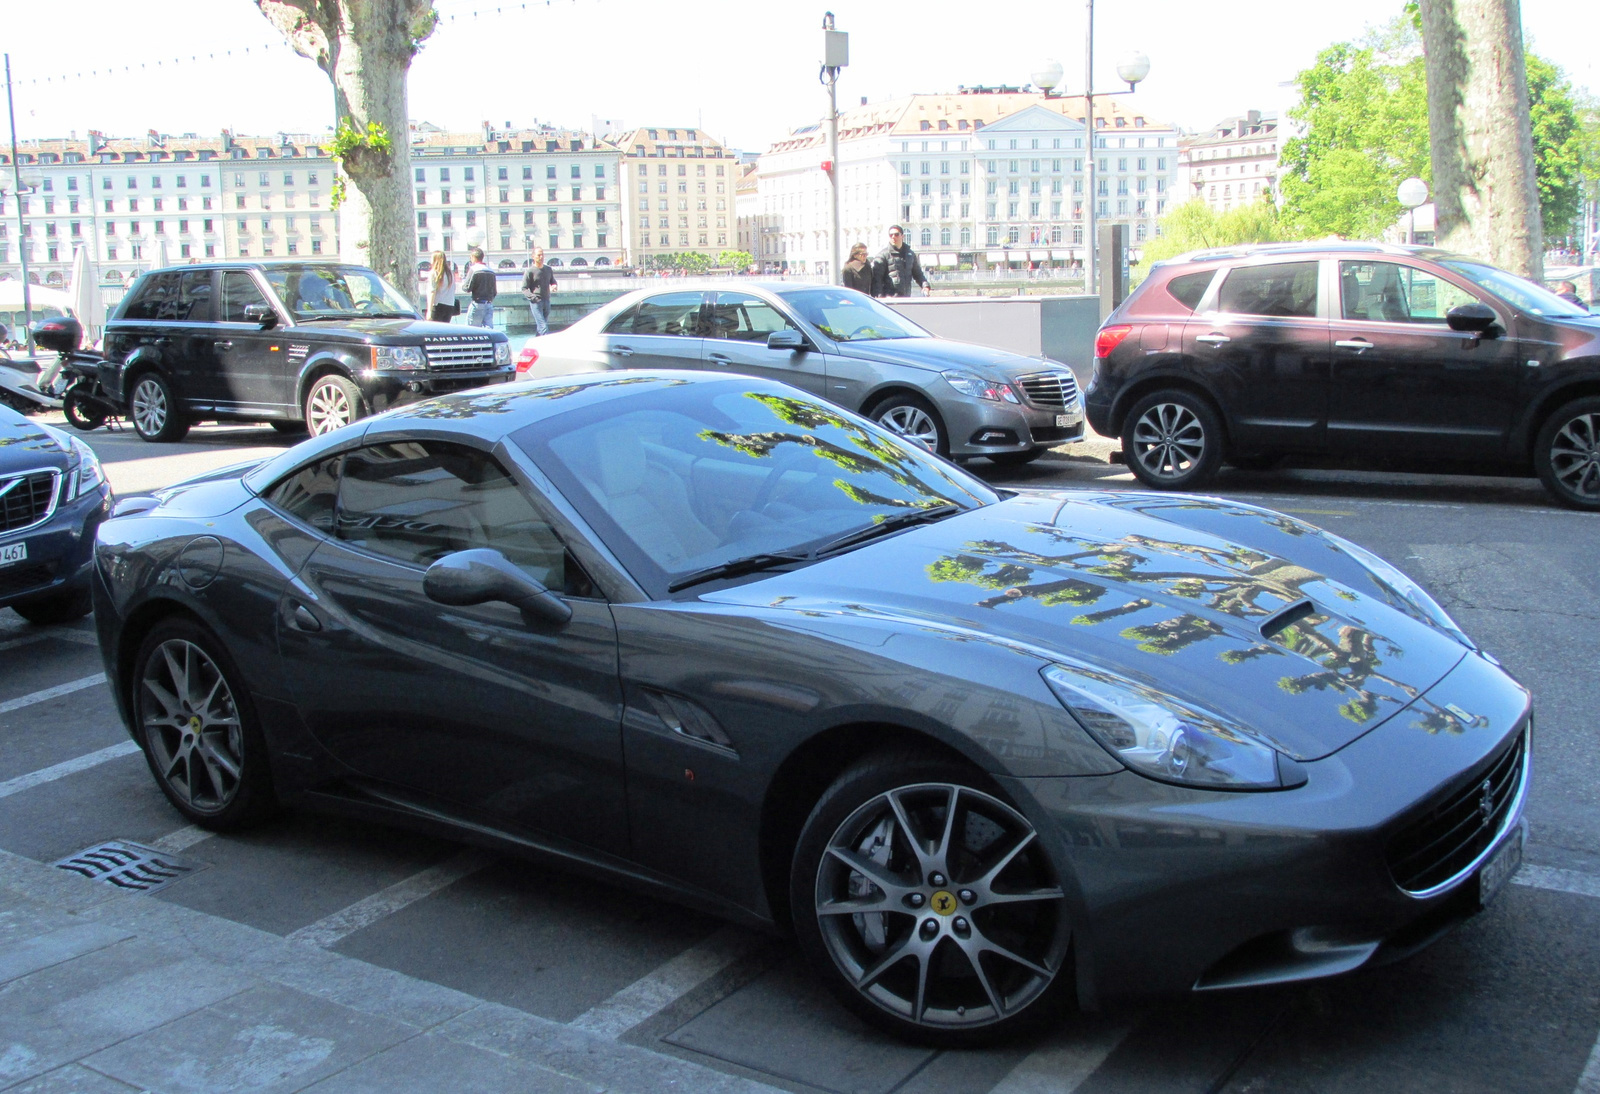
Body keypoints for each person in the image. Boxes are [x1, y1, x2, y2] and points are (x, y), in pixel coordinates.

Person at [871, 225, 929, 298]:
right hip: (889, 299)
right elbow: (877, 280)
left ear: (902, 236)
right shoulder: (882, 255)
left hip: (906, 298)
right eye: (891, 235)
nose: (893, 237)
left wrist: (925, 286)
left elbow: (918, 274)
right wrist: (880, 298)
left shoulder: (910, 254)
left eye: (896, 234)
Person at [520, 248, 557, 336]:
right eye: (538, 255)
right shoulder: (530, 271)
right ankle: (546, 346)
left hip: (546, 301)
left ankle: (536, 344)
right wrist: (533, 298)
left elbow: (553, 281)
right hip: (536, 303)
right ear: (533, 257)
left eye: (542, 255)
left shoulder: (548, 269)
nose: (541, 257)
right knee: (543, 326)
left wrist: (554, 285)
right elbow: (524, 288)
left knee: (540, 328)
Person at [462, 247, 497, 328]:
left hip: (477, 304)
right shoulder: (491, 271)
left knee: (472, 330)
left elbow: (467, 288)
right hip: (488, 304)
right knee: (488, 330)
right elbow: (494, 291)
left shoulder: (474, 269)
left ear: (473, 257)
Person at [423, 251, 456, 322]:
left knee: (433, 329)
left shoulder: (434, 273)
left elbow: (432, 292)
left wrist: (429, 310)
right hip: (449, 305)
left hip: (437, 305)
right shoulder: (450, 274)